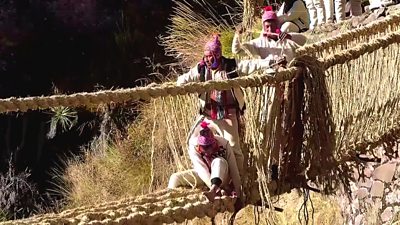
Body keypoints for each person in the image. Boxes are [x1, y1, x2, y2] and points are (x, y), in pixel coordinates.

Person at [177, 34, 275, 177]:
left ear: (218, 55)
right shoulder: (201, 69)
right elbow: (185, 79)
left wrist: (269, 63)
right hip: (208, 115)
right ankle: (208, 175)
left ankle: (240, 179)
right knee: (192, 141)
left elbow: (249, 66)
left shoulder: (231, 66)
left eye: (211, 56)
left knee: (234, 149)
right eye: (205, 56)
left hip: (227, 115)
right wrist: (180, 85)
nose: (208, 59)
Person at [168, 122, 242, 204]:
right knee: (175, 177)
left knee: (218, 161)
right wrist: (213, 187)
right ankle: (170, 202)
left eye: (210, 146)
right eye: (205, 147)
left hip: (222, 176)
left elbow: (234, 169)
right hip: (204, 177)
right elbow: (201, 169)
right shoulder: (194, 146)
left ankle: (213, 190)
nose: (208, 151)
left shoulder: (224, 144)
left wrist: (238, 194)